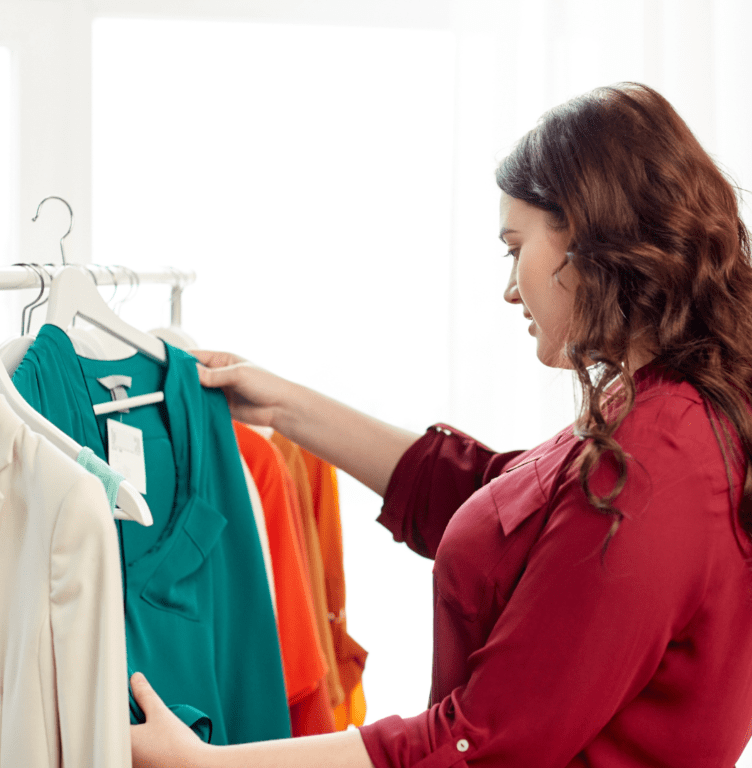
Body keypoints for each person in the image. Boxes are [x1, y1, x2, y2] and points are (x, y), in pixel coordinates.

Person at [129, 82, 752, 767]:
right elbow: (491, 498)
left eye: (515, 248)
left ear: (586, 240)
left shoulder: (657, 461)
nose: (511, 287)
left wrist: (206, 765)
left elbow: (483, 740)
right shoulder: (658, 411)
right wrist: (278, 404)